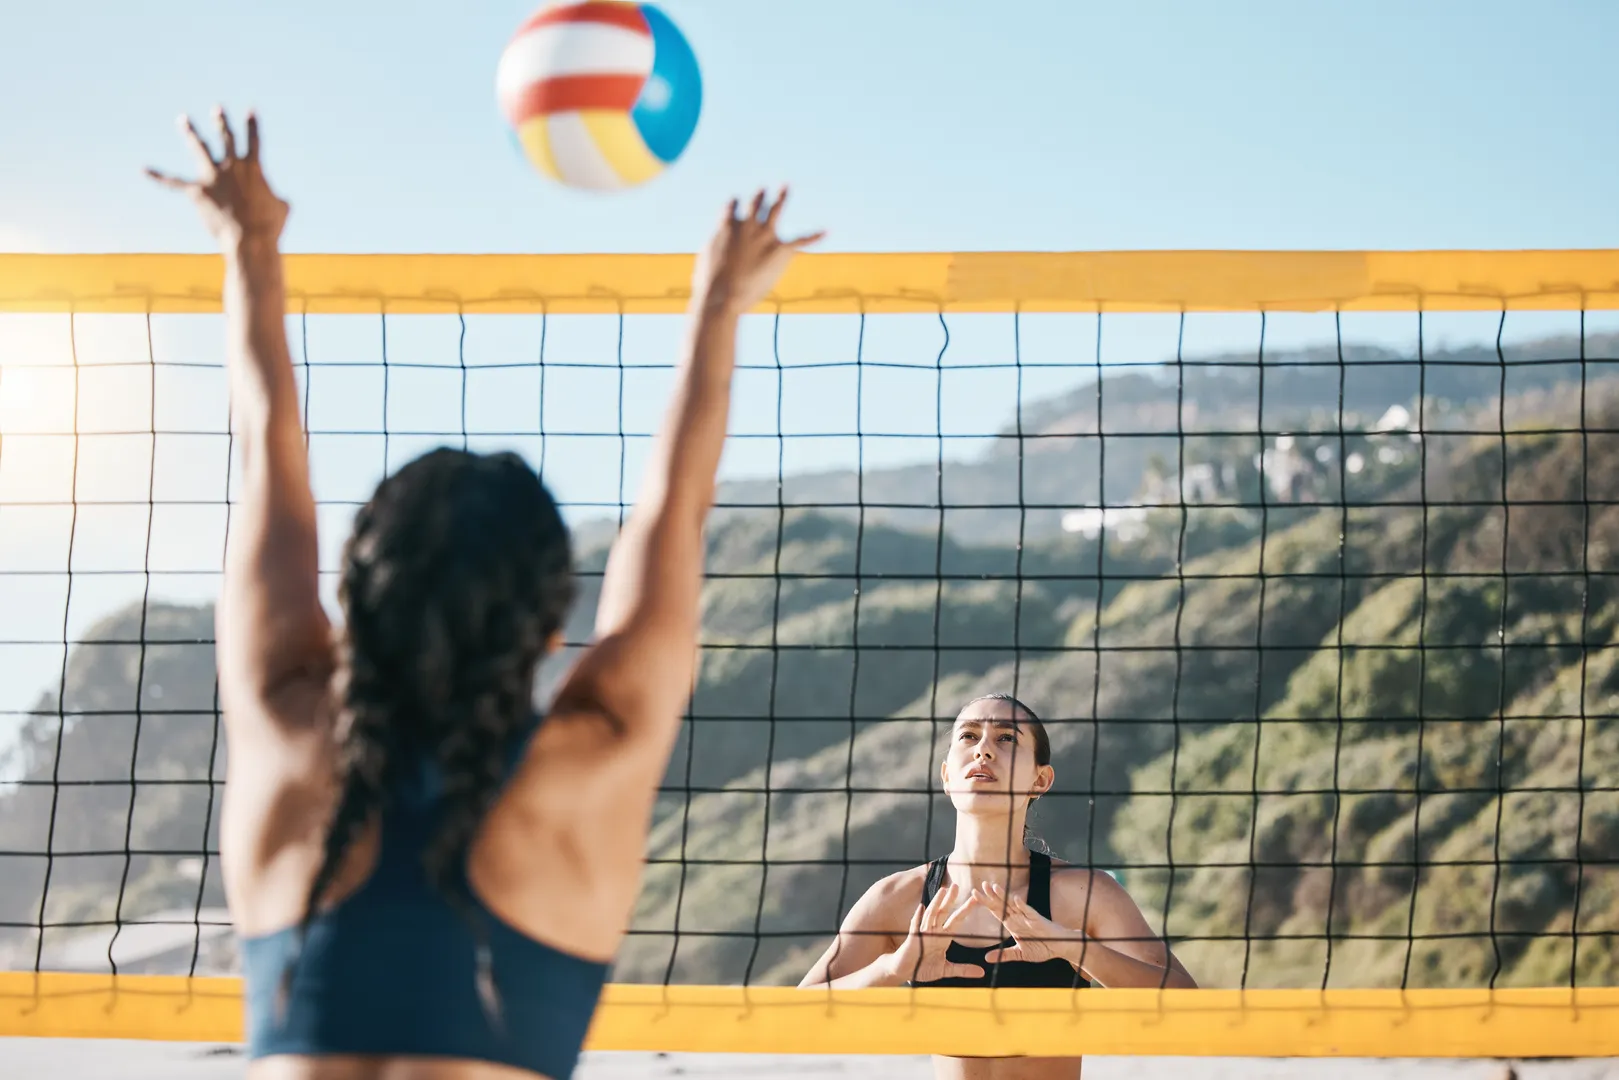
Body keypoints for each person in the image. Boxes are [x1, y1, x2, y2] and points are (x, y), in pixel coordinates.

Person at [147, 107, 821, 1080]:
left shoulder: (281, 723)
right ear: (550, 627)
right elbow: (673, 512)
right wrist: (718, 303)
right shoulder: (591, 758)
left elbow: (264, 454)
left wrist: (247, 243)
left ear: (354, 597)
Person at [798, 693, 1197, 1080]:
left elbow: (1188, 1008)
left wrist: (1076, 949)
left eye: (1006, 738)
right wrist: (892, 968)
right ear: (946, 775)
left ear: (1041, 779)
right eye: (969, 736)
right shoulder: (898, 898)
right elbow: (798, 1014)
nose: (983, 750)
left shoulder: (1083, 894)